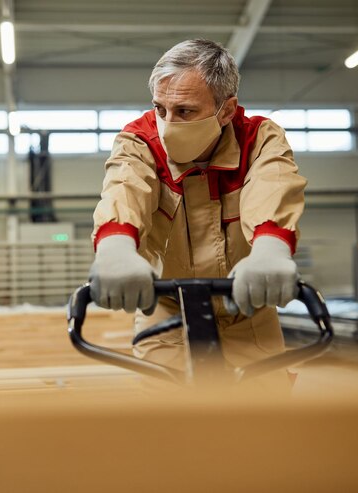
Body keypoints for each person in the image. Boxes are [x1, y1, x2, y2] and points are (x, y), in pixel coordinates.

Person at [89, 39, 306, 380]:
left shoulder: (258, 139)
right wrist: (115, 245)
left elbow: (273, 185)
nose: (168, 123)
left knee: (266, 410)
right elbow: (125, 187)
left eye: (185, 111)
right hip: (167, 306)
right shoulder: (139, 141)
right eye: (160, 109)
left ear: (227, 110)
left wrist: (270, 247)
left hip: (245, 306)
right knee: (167, 412)